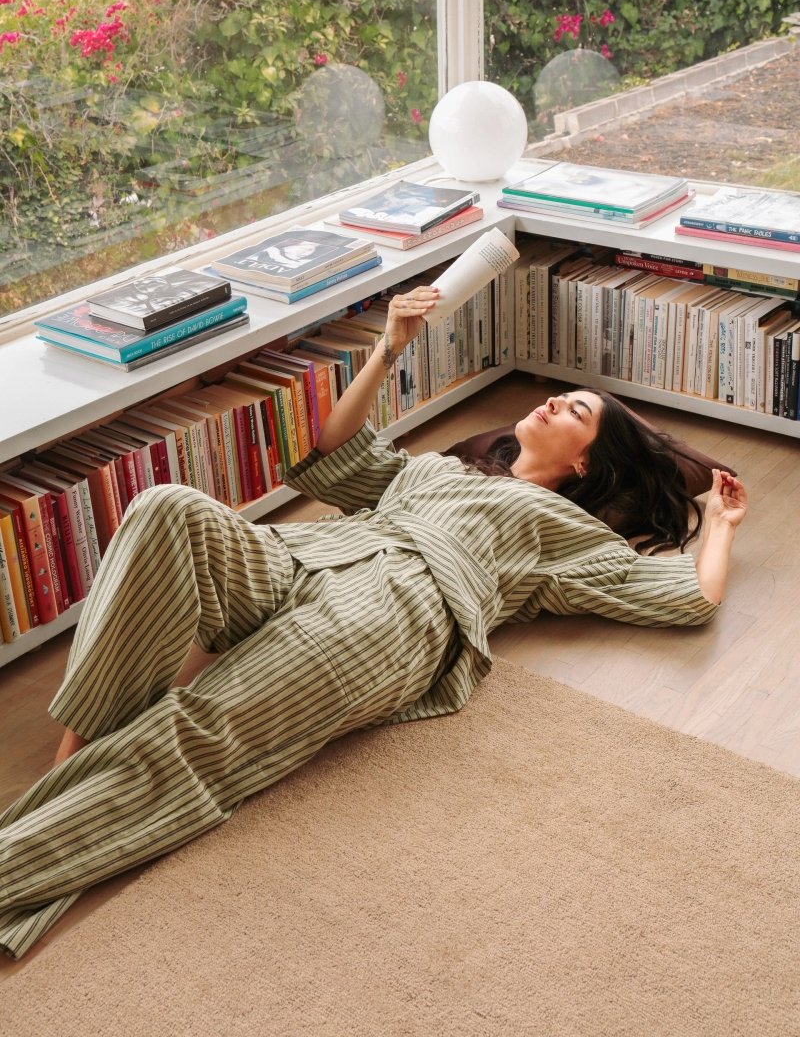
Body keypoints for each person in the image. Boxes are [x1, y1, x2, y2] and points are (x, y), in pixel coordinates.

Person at [0, 286, 748, 960]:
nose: (554, 404)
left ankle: (26, 850)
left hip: (392, 611)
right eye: (561, 397)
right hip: (305, 555)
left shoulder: (562, 527)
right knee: (165, 507)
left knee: (199, 731)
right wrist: (390, 345)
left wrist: (719, 523)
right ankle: (77, 756)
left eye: (576, 413)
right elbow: (336, 452)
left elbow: (689, 596)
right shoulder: (440, 468)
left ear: (585, 464)